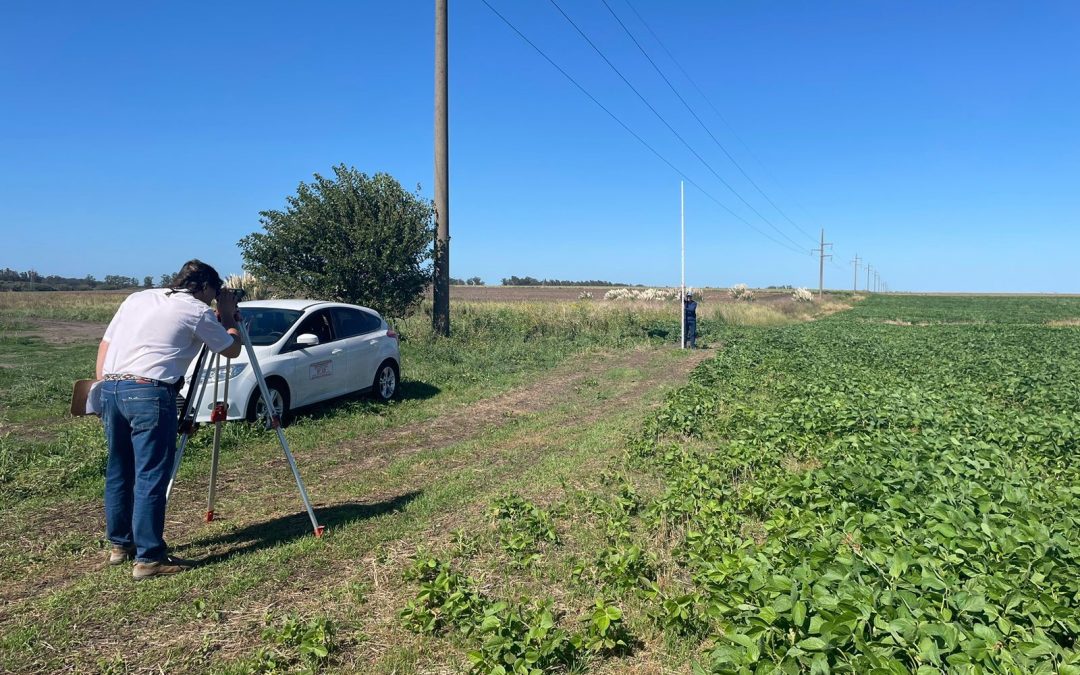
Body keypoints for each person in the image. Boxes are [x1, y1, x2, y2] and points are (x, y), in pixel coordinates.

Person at [96, 260, 242, 579]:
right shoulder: (195, 309)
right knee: (150, 473)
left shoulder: (138, 298)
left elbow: (105, 344)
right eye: (213, 293)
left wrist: (104, 386)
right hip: (149, 392)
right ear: (204, 287)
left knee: (119, 470)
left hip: (111, 386)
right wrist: (229, 316)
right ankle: (149, 558)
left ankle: (120, 546)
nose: (213, 299)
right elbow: (231, 349)